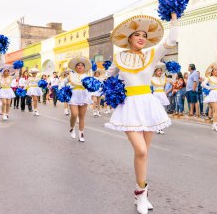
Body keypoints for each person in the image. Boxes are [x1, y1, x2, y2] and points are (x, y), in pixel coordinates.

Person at [105, 13, 178, 214]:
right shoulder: (118, 58)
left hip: (148, 105)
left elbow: (171, 40)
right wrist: (96, 87)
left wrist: (174, 18)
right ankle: (141, 193)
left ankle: (142, 193)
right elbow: (106, 77)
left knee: (144, 153)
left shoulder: (152, 54)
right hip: (129, 106)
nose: (141, 38)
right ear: (128, 38)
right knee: (141, 150)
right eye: (136, 34)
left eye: (144, 35)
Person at [67, 56, 93, 142]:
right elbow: (62, 83)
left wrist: (92, 95)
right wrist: (63, 90)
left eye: (82, 65)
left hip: (84, 96)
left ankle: (81, 134)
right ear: (75, 67)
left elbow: (92, 86)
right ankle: (72, 127)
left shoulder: (87, 76)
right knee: (74, 114)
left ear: (84, 67)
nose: (80, 66)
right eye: (78, 65)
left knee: (81, 116)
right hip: (74, 95)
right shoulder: (71, 75)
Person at [151, 62, 170, 134]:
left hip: (162, 95)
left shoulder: (163, 78)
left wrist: (173, 72)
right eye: (158, 71)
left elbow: (173, 80)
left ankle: (160, 128)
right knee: (157, 112)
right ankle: (156, 127)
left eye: (160, 71)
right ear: (155, 72)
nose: (160, 72)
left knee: (162, 112)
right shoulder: (152, 78)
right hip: (156, 95)